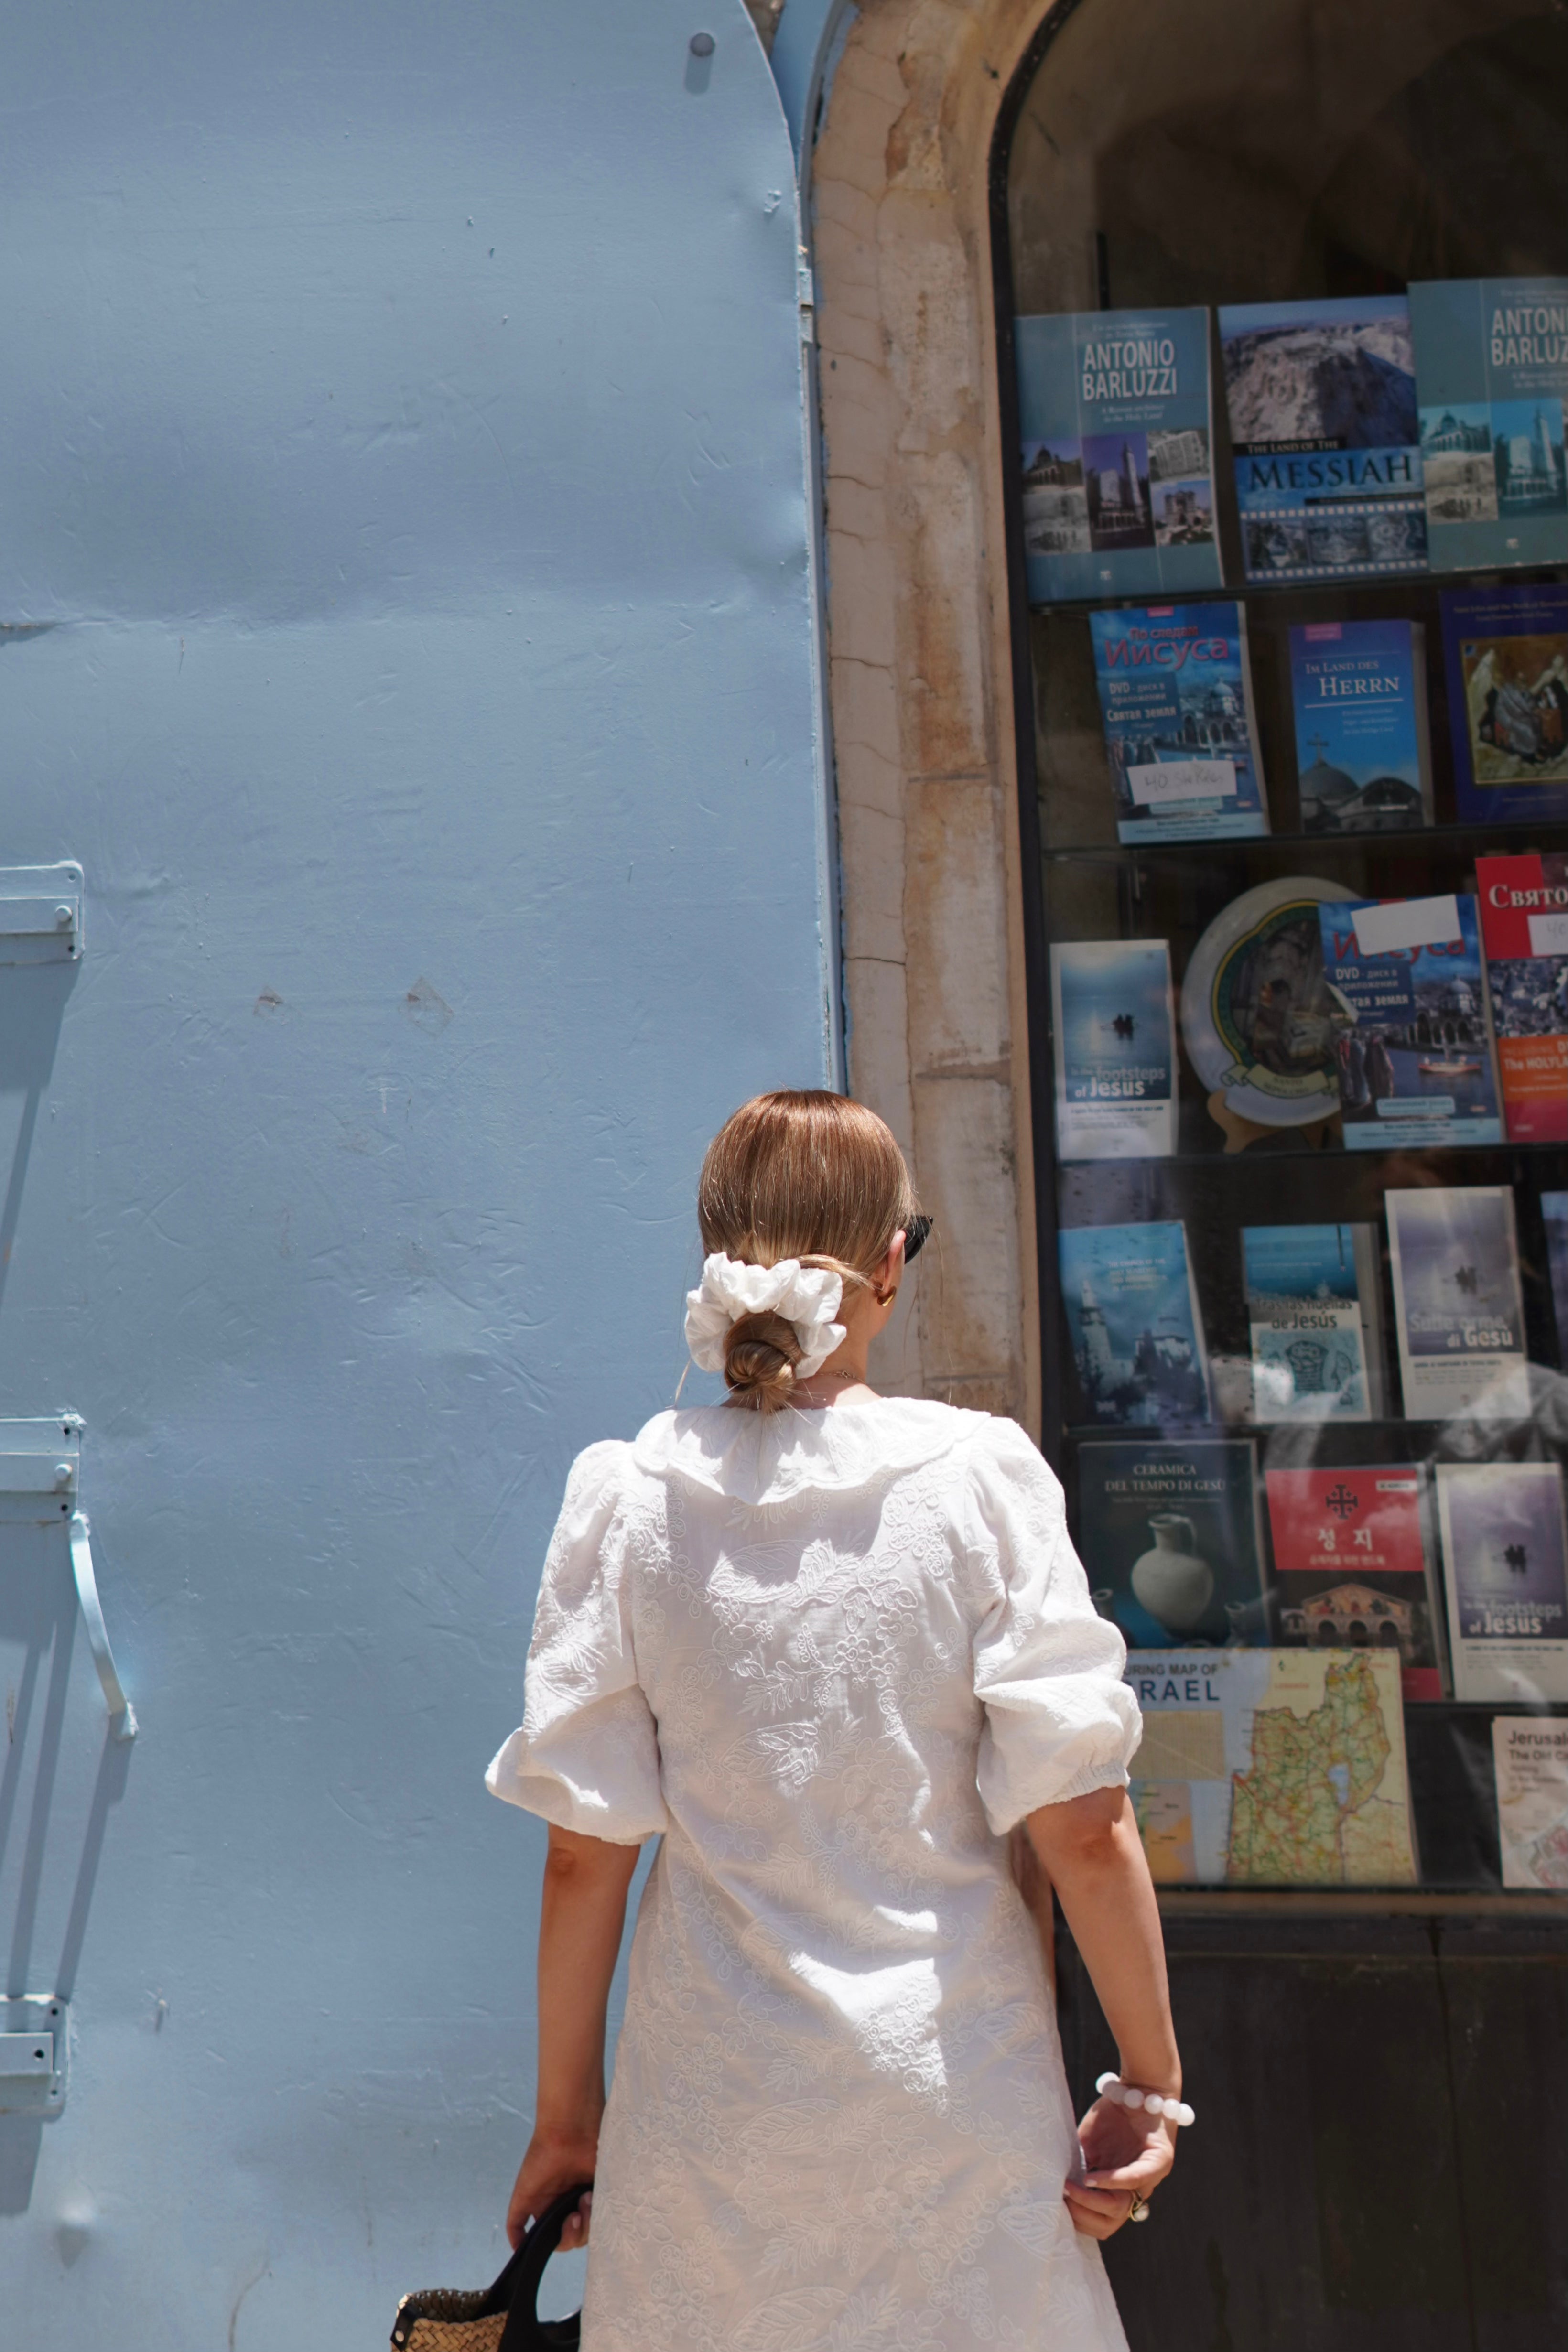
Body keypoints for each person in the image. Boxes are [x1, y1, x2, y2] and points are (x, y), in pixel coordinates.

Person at [487, 1091, 1184, 2350]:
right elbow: (1082, 1826)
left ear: (718, 1260)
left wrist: (566, 2122)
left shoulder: (627, 1498)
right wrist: (1148, 2084)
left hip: (709, 2123)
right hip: (952, 2100)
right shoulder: (980, 1480)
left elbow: (583, 1855)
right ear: (891, 1262)